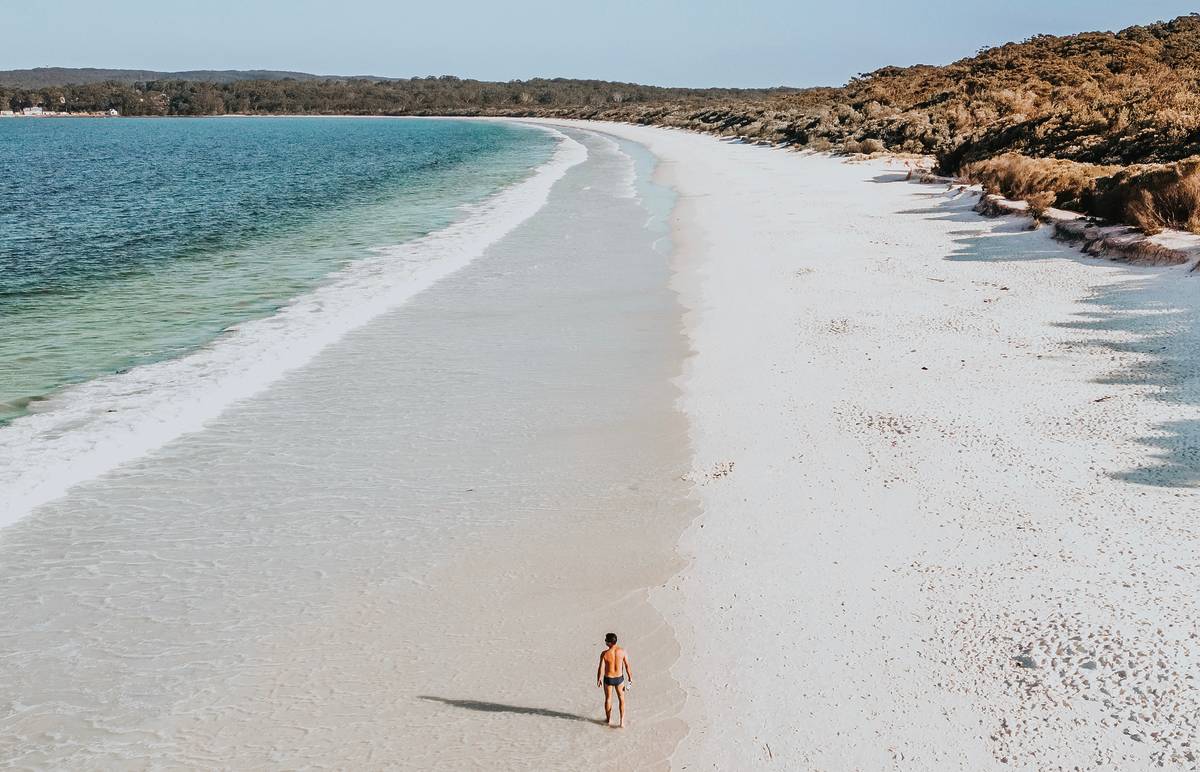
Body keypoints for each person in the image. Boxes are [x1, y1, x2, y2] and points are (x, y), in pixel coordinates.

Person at [596, 632, 633, 727]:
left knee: (608, 699)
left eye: (606, 640)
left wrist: (599, 678)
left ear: (609, 643)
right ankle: (622, 722)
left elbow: (601, 668)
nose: (605, 642)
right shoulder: (622, 651)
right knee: (622, 699)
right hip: (619, 679)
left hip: (608, 679)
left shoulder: (605, 654)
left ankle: (608, 720)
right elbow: (627, 666)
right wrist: (630, 678)